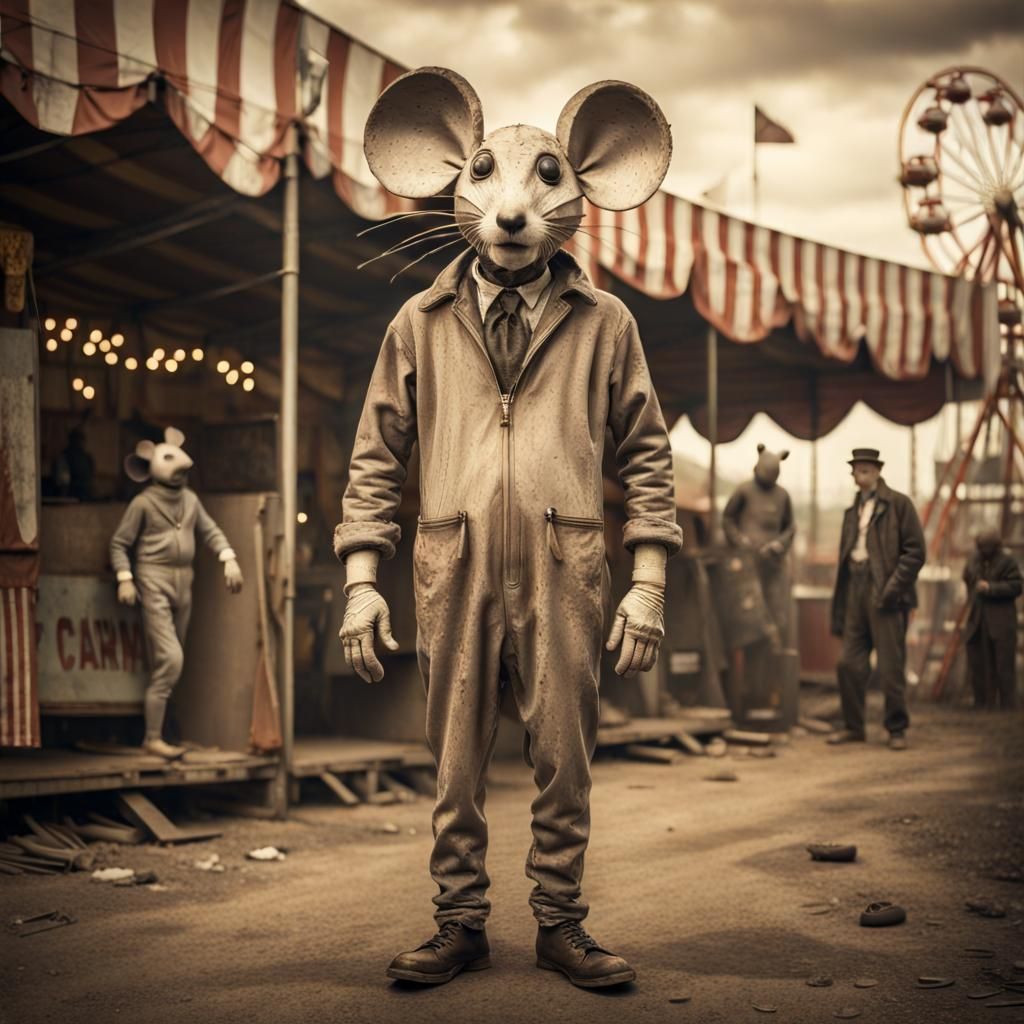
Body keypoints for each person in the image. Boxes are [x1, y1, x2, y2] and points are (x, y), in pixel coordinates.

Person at [334, 68, 681, 989]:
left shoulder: (606, 322)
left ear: (590, 182)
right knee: (453, 759)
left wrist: (646, 583)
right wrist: (361, 580)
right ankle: (459, 924)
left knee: (565, 754)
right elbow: (376, 458)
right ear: (450, 176)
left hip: (567, 563)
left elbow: (646, 457)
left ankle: (562, 923)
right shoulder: (419, 320)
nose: (514, 206)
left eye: (546, 179)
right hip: (451, 562)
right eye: (485, 174)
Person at [828, 448, 925, 751]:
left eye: (868, 468)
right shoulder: (850, 512)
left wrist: (892, 589)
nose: (863, 473)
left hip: (886, 592)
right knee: (847, 663)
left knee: (891, 665)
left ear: (878, 471)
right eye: (858, 469)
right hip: (855, 588)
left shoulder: (898, 505)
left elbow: (916, 552)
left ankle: (896, 729)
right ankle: (854, 727)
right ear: (853, 474)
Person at [722, 445, 796, 713]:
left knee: (774, 627)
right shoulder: (743, 490)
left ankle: (770, 695)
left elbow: (790, 528)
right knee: (750, 627)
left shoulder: (783, 496)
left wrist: (778, 545)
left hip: (773, 568)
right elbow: (728, 519)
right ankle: (744, 698)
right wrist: (740, 541)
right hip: (747, 570)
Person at [963, 527, 1021, 709]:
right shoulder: (975, 559)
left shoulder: (1008, 561)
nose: (982, 551)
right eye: (980, 547)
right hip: (978, 620)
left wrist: (991, 588)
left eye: (985, 547)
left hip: (1001, 621)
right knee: (979, 664)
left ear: (995, 546)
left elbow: (1016, 586)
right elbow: (967, 576)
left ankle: (1007, 705)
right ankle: (982, 703)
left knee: (1004, 666)